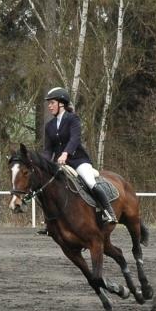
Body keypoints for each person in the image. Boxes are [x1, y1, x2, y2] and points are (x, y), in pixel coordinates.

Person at [41, 86, 117, 227]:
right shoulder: (49, 126)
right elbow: (48, 149)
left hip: (78, 160)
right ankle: (50, 222)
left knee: (90, 182)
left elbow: (74, 139)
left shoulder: (73, 119)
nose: (49, 106)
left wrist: (65, 153)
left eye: (52, 103)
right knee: (49, 186)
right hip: (60, 163)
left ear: (61, 103)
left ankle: (108, 212)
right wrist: (43, 163)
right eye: (49, 103)